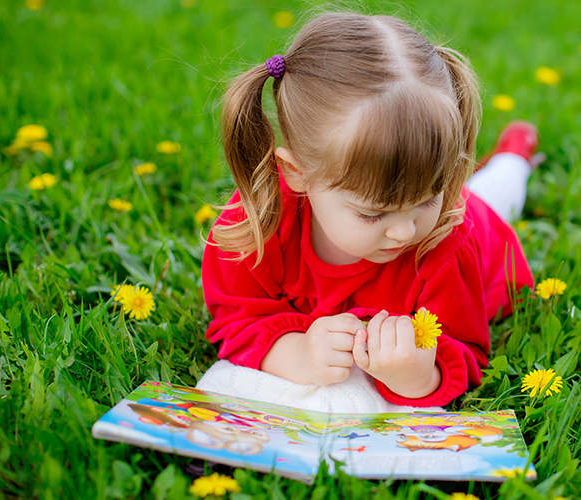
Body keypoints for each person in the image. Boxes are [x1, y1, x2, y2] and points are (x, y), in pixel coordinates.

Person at [198, 12, 537, 413]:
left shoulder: (443, 235)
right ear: (297, 173)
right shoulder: (257, 225)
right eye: (373, 214)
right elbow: (236, 322)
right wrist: (297, 354)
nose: (404, 231)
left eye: (428, 197)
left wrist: (416, 376)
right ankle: (502, 160)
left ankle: (515, 158)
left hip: (483, 230)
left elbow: (465, 349)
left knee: (496, 194)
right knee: (472, 190)